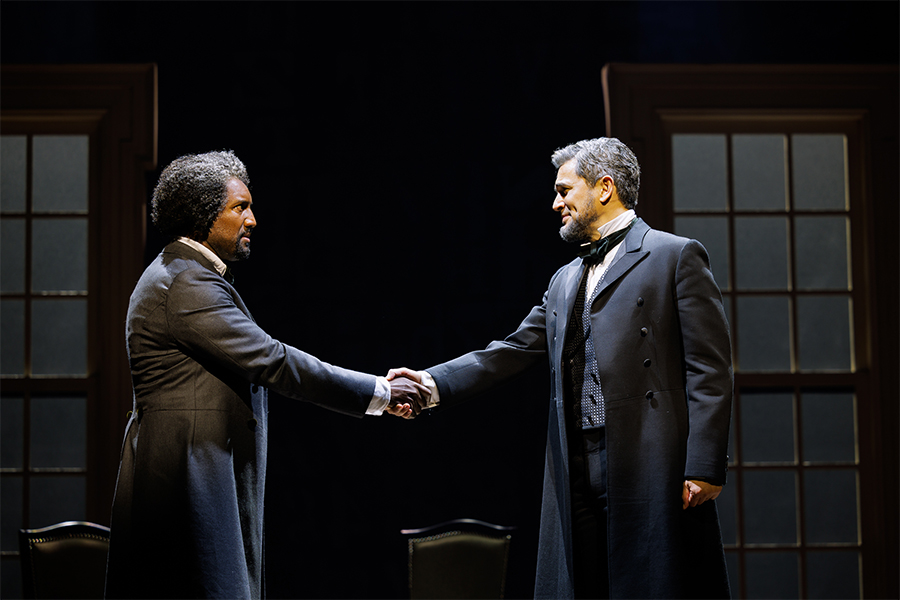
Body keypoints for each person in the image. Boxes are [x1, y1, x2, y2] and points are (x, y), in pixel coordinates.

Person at [390, 138, 732, 599]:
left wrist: (705, 464)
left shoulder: (674, 256)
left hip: (648, 456)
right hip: (576, 458)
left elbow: (709, 367)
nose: (556, 203)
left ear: (605, 187)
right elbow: (510, 350)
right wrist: (431, 383)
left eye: (565, 190)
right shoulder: (566, 278)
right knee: (583, 582)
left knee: (652, 583)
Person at [105, 150, 426, 599]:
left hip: (194, 468)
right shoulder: (185, 282)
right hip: (186, 478)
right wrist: (379, 391)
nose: (252, 219)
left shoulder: (186, 274)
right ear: (201, 215)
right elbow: (273, 360)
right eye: (240, 207)